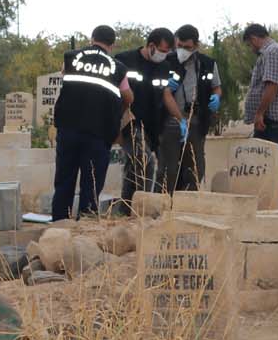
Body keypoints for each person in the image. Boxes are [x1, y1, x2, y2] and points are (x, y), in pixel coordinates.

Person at [50, 26, 127, 220]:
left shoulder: (71, 57)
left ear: (92, 39)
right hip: (99, 133)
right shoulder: (118, 67)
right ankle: (86, 226)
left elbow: (65, 75)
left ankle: (60, 225)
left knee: (64, 180)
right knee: (91, 185)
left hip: (68, 128)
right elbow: (128, 96)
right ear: (112, 45)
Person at [118, 28, 183, 202]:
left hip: (153, 124)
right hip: (130, 120)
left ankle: (127, 207)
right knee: (145, 162)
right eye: (162, 51)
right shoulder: (125, 60)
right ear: (151, 45)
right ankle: (143, 206)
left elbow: (166, 95)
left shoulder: (164, 66)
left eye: (167, 52)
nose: (164, 55)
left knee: (135, 167)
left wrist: (181, 120)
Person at [172, 25, 224, 192]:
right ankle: (169, 197)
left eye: (187, 47)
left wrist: (216, 97)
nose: (182, 50)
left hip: (196, 119)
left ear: (196, 45)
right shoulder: (168, 61)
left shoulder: (207, 63)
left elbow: (216, 87)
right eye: (179, 46)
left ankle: (189, 195)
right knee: (171, 165)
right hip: (171, 120)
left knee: (195, 165)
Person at [241, 24, 278, 159]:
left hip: (271, 121)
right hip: (277, 119)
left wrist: (260, 113)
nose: (251, 49)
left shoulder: (271, 52)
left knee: (267, 165)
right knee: (272, 164)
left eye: (249, 45)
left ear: (254, 39)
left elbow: (272, 85)